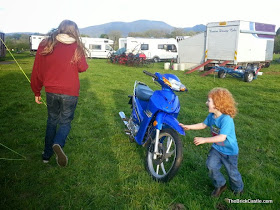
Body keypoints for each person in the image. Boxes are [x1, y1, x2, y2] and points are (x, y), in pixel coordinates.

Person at [31, 20, 88, 167]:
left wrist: (36, 91)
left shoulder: (46, 44)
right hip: (70, 92)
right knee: (65, 121)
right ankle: (58, 143)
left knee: (52, 121)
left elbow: (37, 69)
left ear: (60, 28)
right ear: (74, 31)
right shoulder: (77, 46)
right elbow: (83, 67)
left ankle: (46, 155)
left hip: (51, 90)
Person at [179, 88, 244, 197]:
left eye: (209, 101)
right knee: (211, 166)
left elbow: (222, 137)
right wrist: (188, 127)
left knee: (232, 173)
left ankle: (238, 189)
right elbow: (203, 125)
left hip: (230, 152)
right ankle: (220, 184)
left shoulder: (226, 119)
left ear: (217, 104)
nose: (206, 103)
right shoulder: (211, 116)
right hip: (217, 149)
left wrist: (204, 140)